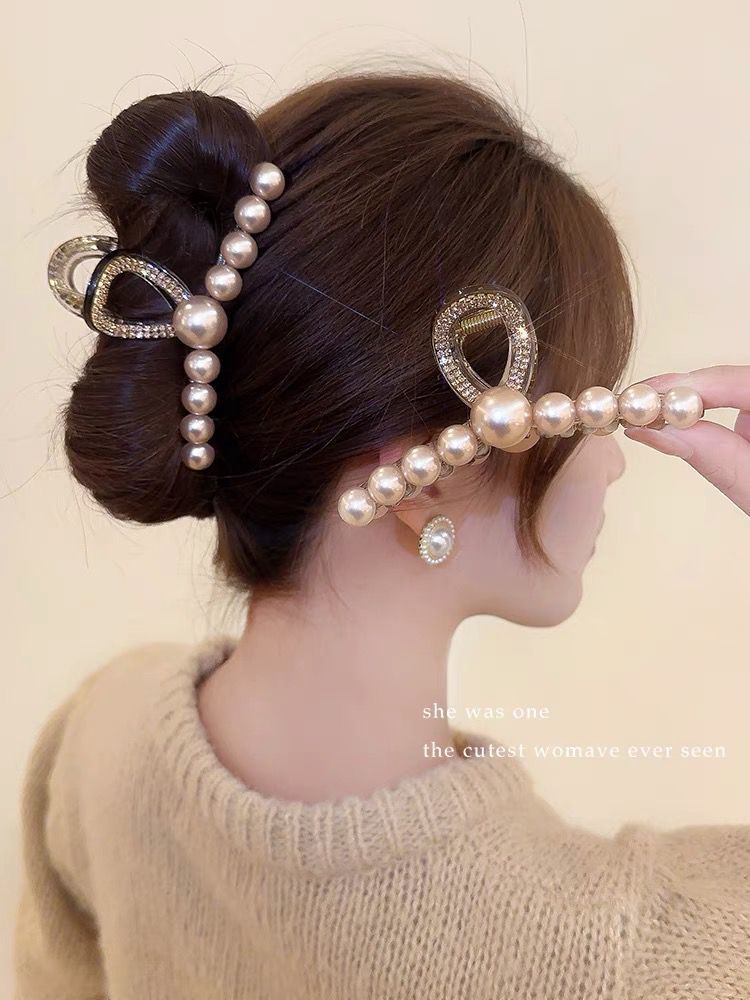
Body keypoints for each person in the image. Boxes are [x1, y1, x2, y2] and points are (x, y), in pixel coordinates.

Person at [15, 71, 749, 999]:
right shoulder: (662, 955)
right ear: (426, 479)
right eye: (588, 408)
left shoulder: (100, 739)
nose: (611, 462)